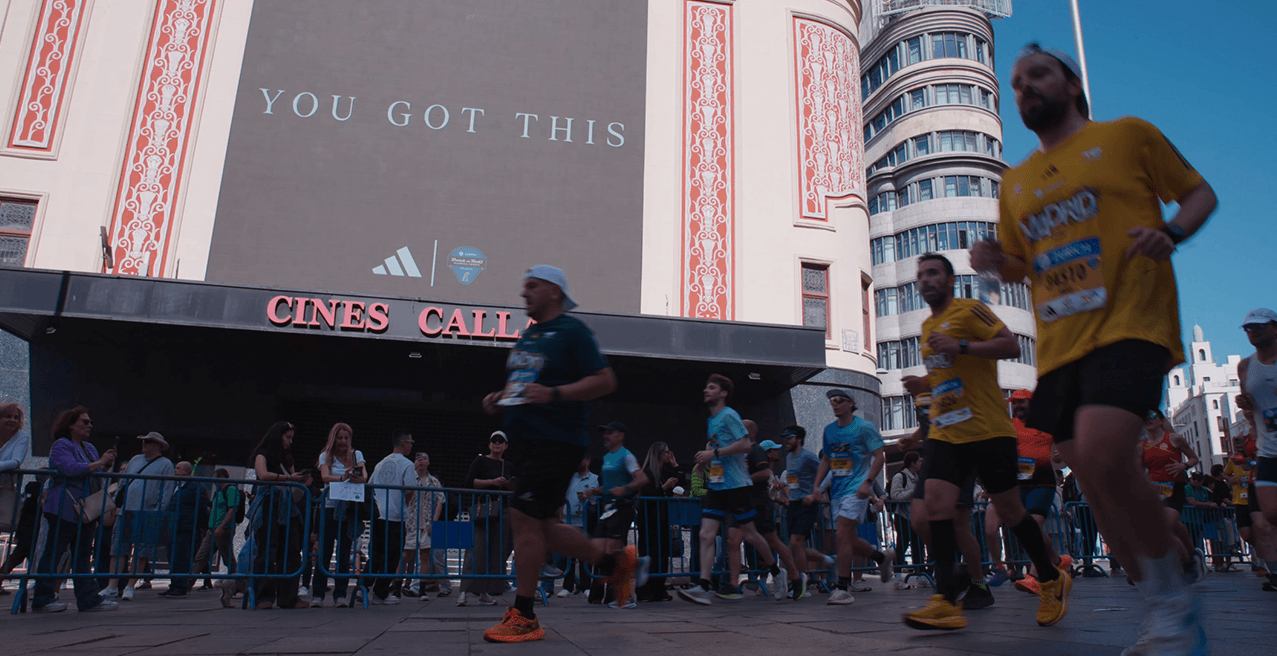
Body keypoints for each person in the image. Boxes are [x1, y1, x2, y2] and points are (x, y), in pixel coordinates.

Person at [971, 41, 1218, 652]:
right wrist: (995, 261)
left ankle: (1171, 608)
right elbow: (1020, 267)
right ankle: (1164, 575)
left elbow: (1198, 193)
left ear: (1072, 85)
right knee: (1101, 489)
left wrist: (1170, 231)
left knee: (1107, 458)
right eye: (1017, 82)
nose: (1024, 87)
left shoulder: (1129, 136)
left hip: (1131, 323)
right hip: (1060, 348)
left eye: (1038, 75)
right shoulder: (1017, 182)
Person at [900, 253, 1066, 630]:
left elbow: (1010, 346)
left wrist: (960, 346)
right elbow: (946, 375)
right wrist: (924, 384)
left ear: (949, 280)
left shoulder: (970, 310)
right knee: (931, 509)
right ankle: (945, 599)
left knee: (1010, 513)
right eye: (920, 275)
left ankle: (1051, 577)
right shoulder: (928, 327)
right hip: (946, 432)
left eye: (933, 273)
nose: (925, 280)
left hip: (988, 429)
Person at [479, 265, 638, 642]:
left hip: (558, 441)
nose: (524, 293)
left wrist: (554, 394)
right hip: (530, 443)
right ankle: (614, 562)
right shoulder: (530, 335)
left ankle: (525, 615)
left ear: (554, 291)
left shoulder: (572, 330)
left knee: (521, 516)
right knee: (541, 527)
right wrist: (502, 398)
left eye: (532, 286)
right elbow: (525, 384)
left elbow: (604, 380)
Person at [678, 374, 785, 605]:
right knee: (705, 534)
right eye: (706, 387)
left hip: (736, 485)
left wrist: (714, 453)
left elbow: (745, 444)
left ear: (723, 393)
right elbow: (716, 446)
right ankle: (703, 587)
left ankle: (777, 573)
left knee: (751, 535)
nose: (706, 390)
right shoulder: (712, 420)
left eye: (712, 387)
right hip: (717, 486)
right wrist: (705, 460)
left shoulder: (729, 415)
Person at [807, 388, 894, 605]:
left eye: (839, 401)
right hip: (837, 490)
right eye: (832, 401)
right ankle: (882, 558)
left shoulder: (864, 427)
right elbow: (827, 461)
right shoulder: (829, 431)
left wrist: (867, 482)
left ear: (850, 404)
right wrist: (817, 486)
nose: (834, 404)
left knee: (843, 533)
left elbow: (879, 457)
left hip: (857, 490)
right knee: (849, 538)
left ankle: (843, 587)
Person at [32, 406, 118, 612]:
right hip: (64, 506)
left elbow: (93, 474)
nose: (89, 425)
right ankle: (43, 598)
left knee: (82, 553)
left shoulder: (89, 448)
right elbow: (70, 468)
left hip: (85, 508)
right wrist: (100, 463)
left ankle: (88, 598)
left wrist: (104, 466)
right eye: (84, 422)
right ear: (71, 425)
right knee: (55, 551)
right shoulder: (61, 445)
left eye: (90, 422)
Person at [987, 389, 1069, 596]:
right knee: (990, 528)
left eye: (1021, 402)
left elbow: (1062, 457)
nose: (1017, 406)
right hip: (1014, 485)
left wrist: (1060, 456)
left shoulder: (1048, 423)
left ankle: (1033, 577)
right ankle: (1055, 561)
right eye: (1014, 403)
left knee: (1034, 525)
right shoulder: (1008, 425)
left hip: (1042, 482)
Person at [104, 432, 176, 601]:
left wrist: (158, 510)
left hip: (147, 511)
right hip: (126, 510)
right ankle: (111, 586)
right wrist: (116, 503)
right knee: (118, 549)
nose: (144, 444)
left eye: (149, 442)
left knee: (142, 551)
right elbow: (123, 482)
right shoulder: (136, 459)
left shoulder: (165, 464)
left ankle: (130, 585)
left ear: (158, 445)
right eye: (144, 441)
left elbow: (167, 491)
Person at [581, 422, 647, 608]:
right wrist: (594, 491)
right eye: (605, 433)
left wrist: (625, 489)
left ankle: (625, 597)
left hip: (622, 507)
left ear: (621, 435)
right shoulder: (607, 458)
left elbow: (642, 479)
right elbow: (609, 487)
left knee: (612, 549)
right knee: (598, 550)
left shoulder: (627, 456)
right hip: (607, 507)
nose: (606, 436)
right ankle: (636, 563)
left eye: (610, 433)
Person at [247, 421, 310, 609]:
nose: (290, 441)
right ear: (278, 436)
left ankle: (289, 597)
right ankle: (263, 597)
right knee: (267, 549)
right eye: (287, 437)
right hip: (268, 503)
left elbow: (293, 481)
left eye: (292, 438)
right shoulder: (262, 454)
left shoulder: (287, 458)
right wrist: (290, 478)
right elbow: (263, 474)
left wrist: (299, 480)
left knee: (291, 551)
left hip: (286, 505)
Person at [732, 433, 801, 600]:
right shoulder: (741, 454)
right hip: (746, 507)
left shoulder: (758, 457)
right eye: (775, 449)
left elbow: (764, 476)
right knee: (734, 540)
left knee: (772, 543)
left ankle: (793, 578)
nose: (779, 452)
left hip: (762, 508)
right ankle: (733, 584)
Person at [1139, 409, 1203, 583]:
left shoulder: (1175, 439)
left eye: (1152, 416)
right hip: (1154, 493)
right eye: (1145, 417)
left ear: (1161, 421)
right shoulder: (1142, 445)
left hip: (1175, 488)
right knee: (1171, 526)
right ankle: (1191, 556)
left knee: (1162, 528)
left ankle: (1186, 562)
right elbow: (1139, 471)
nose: (1148, 419)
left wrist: (1183, 466)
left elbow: (1193, 458)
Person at [360, 430, 417, 605]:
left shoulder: (380, 463)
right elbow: (410, 489)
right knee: (392, 555)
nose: (411, 445)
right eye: (410, 442)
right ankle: (380, 592)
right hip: (396, 516)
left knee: (376, 553)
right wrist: (405, 505)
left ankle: (363, 586)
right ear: (403, 442)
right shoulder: (407, 465)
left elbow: (369, 485)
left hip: (379, 514)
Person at [458, 431, 514, 607]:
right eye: (494, 440)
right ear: (489, 444)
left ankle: (485, 592)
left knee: (496, 552)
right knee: (475, 550)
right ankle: (463, 592)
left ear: (506, 445)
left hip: (502, 511)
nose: (497, 443)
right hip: (483, 510)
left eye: (501, 441)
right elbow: (469, 482)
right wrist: (492, 482)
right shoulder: (480, 461)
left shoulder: (509, 465)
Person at [313, 422, 366, 608]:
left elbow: (364, 475)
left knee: (344, 552)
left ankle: (340, 594)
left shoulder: (356, 454)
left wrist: (356, 475)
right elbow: (325, 477)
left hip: (349, 508)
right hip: (329, 506)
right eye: (340, 438)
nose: (343, 441)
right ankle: (318, 593)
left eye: (346, 438)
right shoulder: (325, 456)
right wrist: (342, 478)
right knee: (325, 551)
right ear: (333, 439)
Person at [781, 426, 835, 593]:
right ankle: (829, 560)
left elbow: (828, 473)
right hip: (793, 504)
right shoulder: (789, 457)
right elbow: (793, 479)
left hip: (807, 504)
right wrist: (782, 485)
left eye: (789, 438)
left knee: (795, 542)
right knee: (796, 546)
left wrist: (815, 493)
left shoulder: (808, 456)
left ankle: (800, 583)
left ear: (798, 439)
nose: (786, 442)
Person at [1238, 309, 1277, 531]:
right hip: (1268, 449)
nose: (1253, 332)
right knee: (1270, 513)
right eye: (1248, 328)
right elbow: (1249, 410)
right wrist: (1246, 406)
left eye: (1260, 326)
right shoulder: (1245, 367)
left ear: (1275, 328)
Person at [636, 441, 679, 602]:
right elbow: (647, 493)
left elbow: (681, 482)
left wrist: (676, 466)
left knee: (662, 554)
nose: (669, 454)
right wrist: (664, 488)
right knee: (649, 554)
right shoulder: (648, 472)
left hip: (662, 517)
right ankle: (644, 590)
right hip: (648, 518)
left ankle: (659, 588)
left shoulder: (666, 471)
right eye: (667, 452)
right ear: (659, 454)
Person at [401, 452, 444, 599]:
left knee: (425, 555)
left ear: (428, 462)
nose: (421, 461)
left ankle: (422, 590)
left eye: (424, 458)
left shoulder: (433, 481)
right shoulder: (409, 478)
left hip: (426, 523)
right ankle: (396, 586)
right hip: (411, 522)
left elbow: (441, 499)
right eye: (418, 459)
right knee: (406, 554)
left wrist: (434, 520)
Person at [160, 460, 206, 597]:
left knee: (181, 557)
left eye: (178, 468)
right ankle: (174, 585)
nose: (175, 470)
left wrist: (199, 525)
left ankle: (180, 586)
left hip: (185, 526)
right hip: (174, 526)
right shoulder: (177, 486)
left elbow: (200, 506)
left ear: (186, 471)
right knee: (172, 557)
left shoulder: (193, 486)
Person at [557, 454, 599, 598]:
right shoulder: (570, 478)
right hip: (569, 520)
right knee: (568, 554)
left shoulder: (595, 479)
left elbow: (598, 498)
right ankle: (567, 586)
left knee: (585, 555)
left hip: (586, 521)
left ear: (588, 461)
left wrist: (589, 497)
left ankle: (586, 585)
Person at [194, 469, 240, 584]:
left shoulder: (231, 490)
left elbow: (232, 510)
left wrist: (221, 526)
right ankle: (186, 584)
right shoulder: (219, 492)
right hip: (213, 528)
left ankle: (238, 583)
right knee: (201, 556)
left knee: (228, 559)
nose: (214, 482)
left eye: (216, 478)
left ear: (223, 477)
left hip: (224, 529)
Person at [0, 481, 42, 593]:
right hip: (32, 529)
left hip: (25, 528)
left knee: (20, 556)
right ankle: (41, 586)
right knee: (22, 556)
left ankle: (40, 585)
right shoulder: (38, 493)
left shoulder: (29, 496)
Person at [889, 451, 923, 570]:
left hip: (916, 515)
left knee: (918, 546)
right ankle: (897, 575)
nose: (920, 464)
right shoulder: (900, 476)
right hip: (903, 516)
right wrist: (914, 491)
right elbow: (895, 496)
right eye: (919, 461)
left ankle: (920, 574)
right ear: (912, 463)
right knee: (902, 546)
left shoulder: (917, 477)